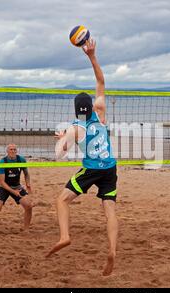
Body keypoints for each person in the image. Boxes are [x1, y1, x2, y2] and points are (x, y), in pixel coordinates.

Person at [46, 39, 118, 276]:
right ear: (91, 105)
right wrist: (92, 56)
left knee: (62, 200)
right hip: (110, 168)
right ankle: (112, 251)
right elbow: (100, 80)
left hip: (91, 170)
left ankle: (65, 236)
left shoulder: (75, 127)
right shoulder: (100, 112)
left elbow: (59, 155)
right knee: (109, 211)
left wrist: (61, 140)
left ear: (77, 109)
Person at [0, 144, 34, 231]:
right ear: (7, 151)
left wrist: (28, 184)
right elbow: (2, 182)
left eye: (14, 150)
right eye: (11, 149)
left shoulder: (21, 160)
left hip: (16, 186)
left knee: (29, 206)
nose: (13, 151)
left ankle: (26, 229)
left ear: (16, 151)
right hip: (3, 186)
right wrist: (14, 192)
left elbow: (26, 173)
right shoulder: (3, 162)